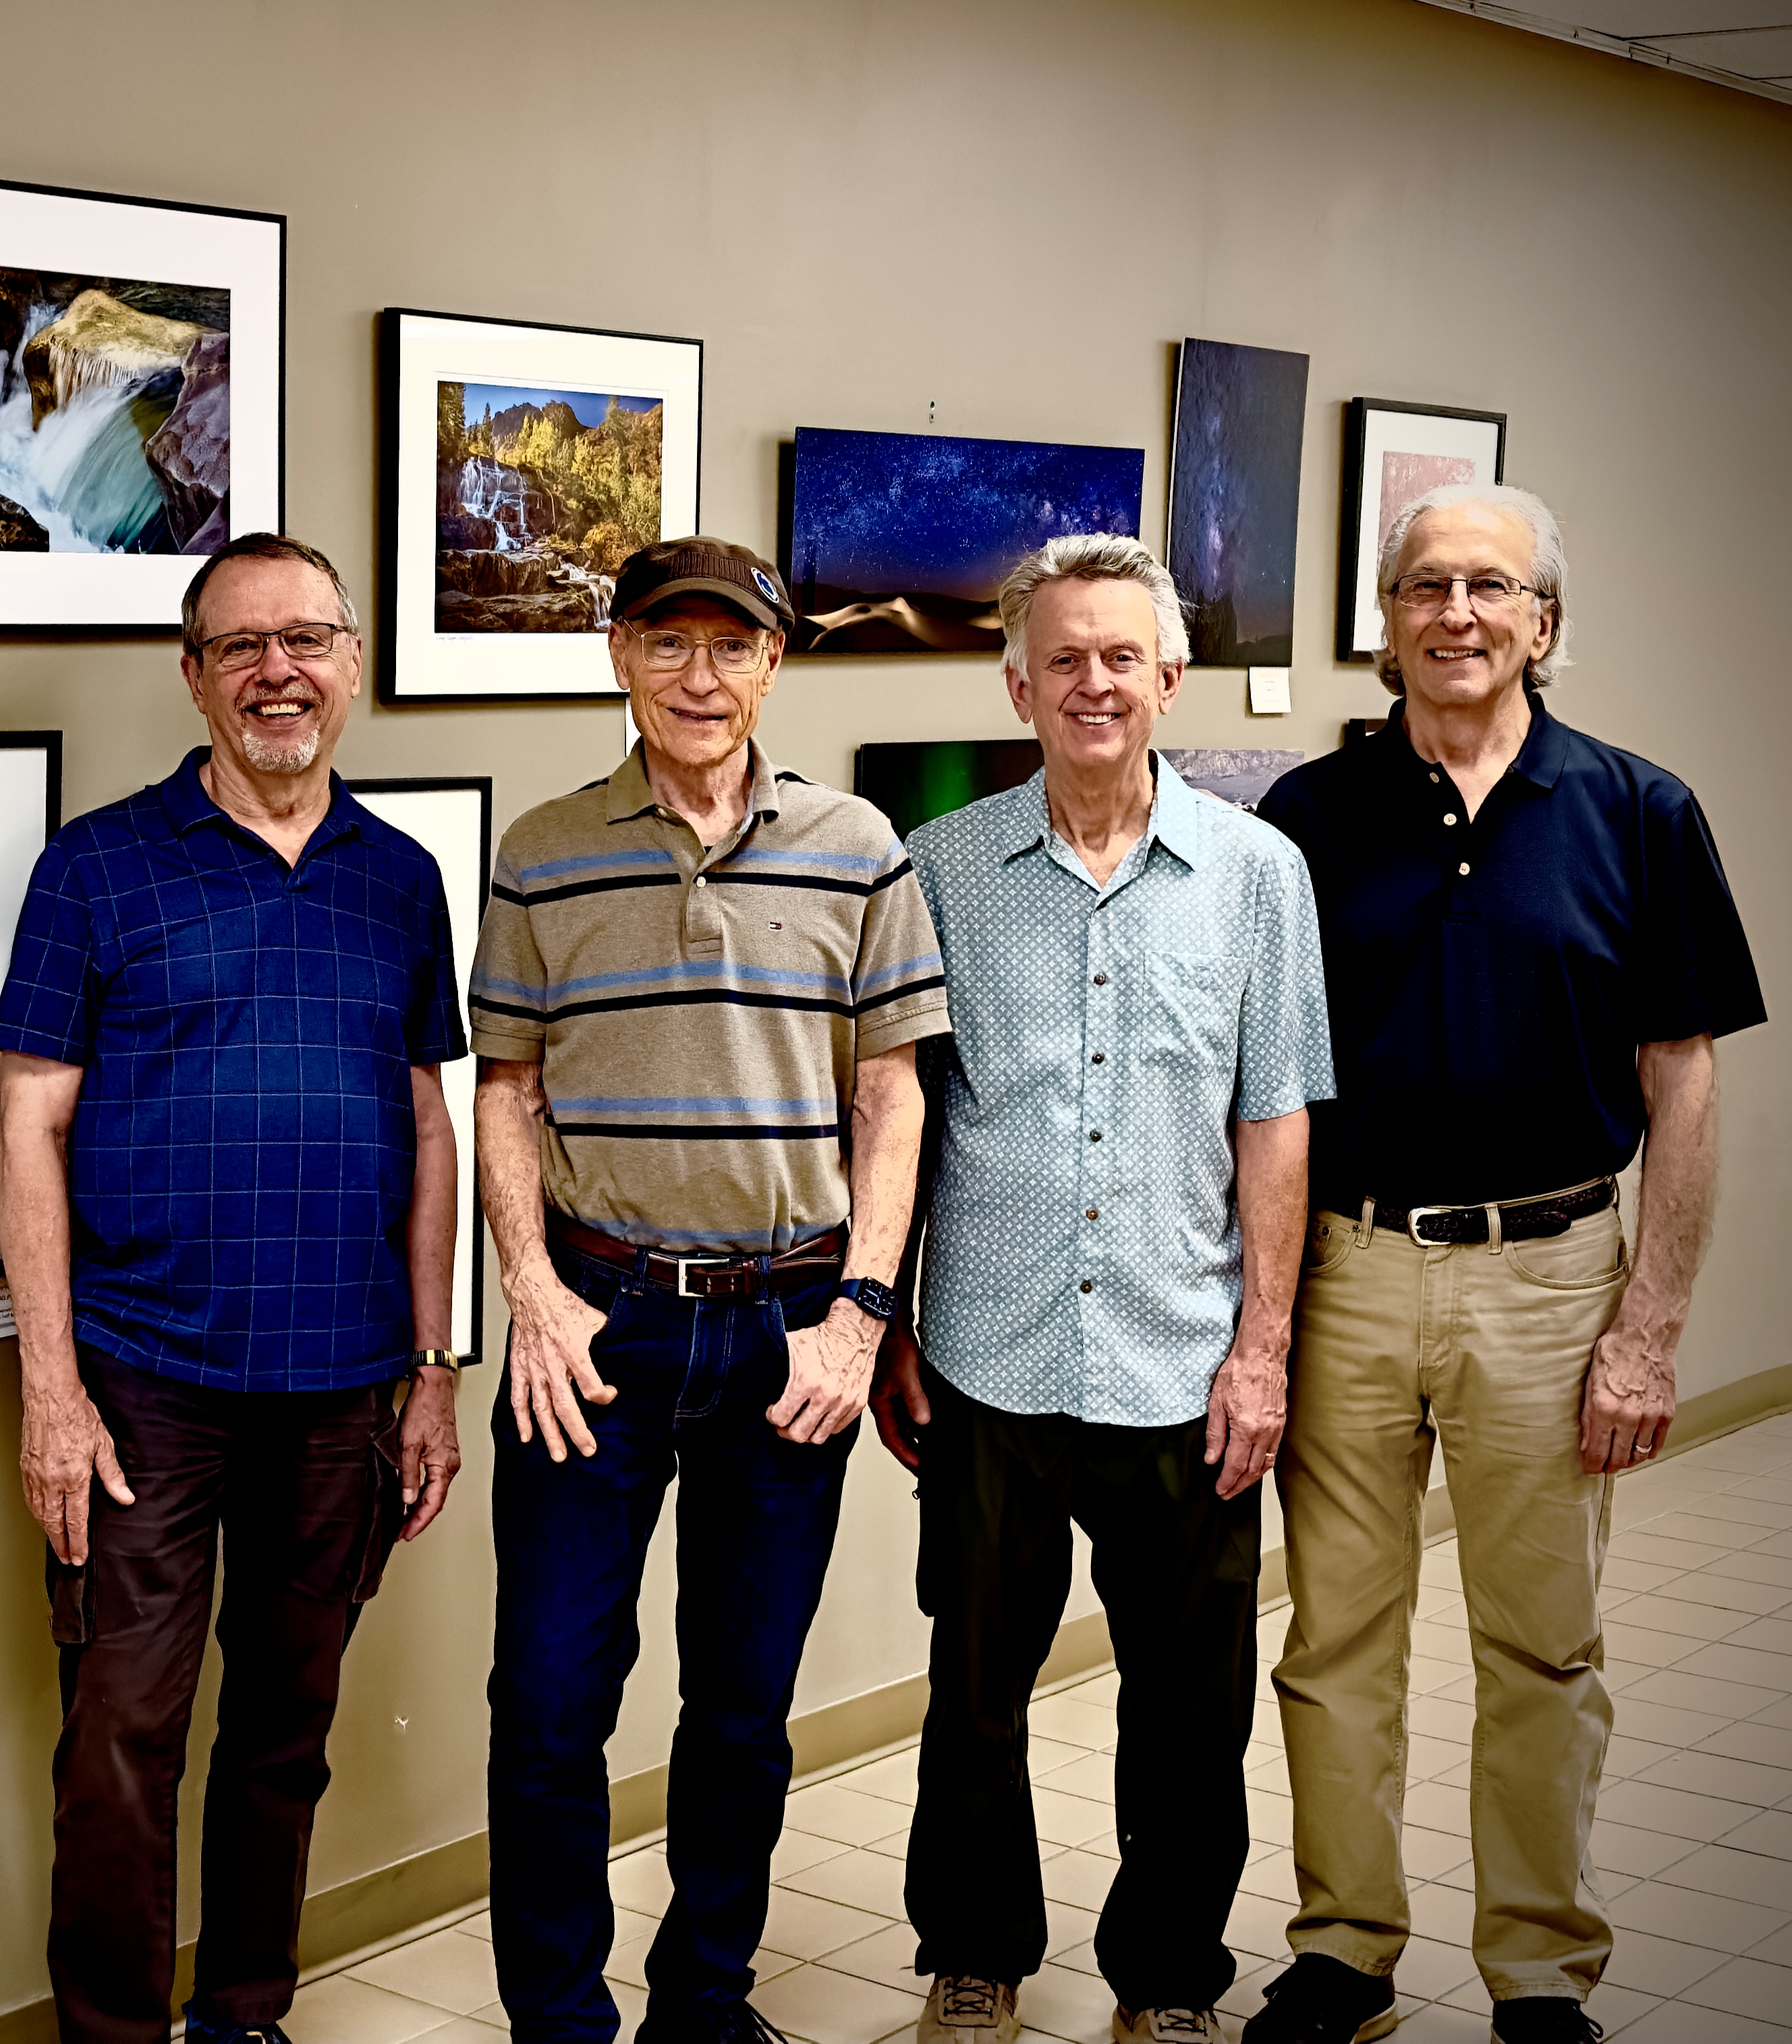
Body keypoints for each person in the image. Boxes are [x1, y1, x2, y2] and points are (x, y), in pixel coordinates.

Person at [1249, 484, 1767, 2044]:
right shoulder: (1307, 817)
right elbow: (1261, 1080)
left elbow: (1680, 1079)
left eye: (1486, 586)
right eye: (1422, 586)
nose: (1453, 613)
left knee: (1540, 1646)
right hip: (1347, 1264)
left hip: (1552, 1277)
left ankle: (1539, 1974)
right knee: (1332, 1640)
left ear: (1541, 622)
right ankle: (1342, 1949)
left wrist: (1647, 1329)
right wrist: (1257, 1316)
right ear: (1387, 619)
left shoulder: (1636, 809)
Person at [0, 533, 469, 2044]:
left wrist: (436, 1365)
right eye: (243, 645)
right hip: (142, 1387)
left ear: (349, 664)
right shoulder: (99, 865)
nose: (280, 670)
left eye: (308, 639)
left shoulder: (397, 878)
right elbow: (30, 1125)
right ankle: (116, 2033)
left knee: (284, 1729)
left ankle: (244, 2011)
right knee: (121, 1736)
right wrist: (51, 1394)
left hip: (342, 1391)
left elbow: (428, 1117)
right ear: (192, 674)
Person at [471, 536, 947, 2044]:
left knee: (739, 1708)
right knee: (548, 1702)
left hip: (788, 1326)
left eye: (729, 646)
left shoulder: (859, 844)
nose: (699, 674)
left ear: (771, 661)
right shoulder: (542, 849)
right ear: (617, 654)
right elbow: (504, 1087)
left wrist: (861, 1312)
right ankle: (558, 2019)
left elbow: (891, 1094)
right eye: (667, 642)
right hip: (591, 1325)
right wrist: (529, 1289)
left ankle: (704, 2002)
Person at [873, 533, 1335, 2044]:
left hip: (1180, 1353)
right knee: (973, 1686)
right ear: (1017, 682)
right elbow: (905, 1118)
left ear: (1167, 679)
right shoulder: (938, 867)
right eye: (1061, 657)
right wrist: (891, 1319)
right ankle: (975, 1948)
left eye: (1118, 657)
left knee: (1186, 1703)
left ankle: (1167, 1979)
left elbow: (1274, 1120)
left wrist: (1260, 1349)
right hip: (987, 1356)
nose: (1091, 682)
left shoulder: (1259, 874)